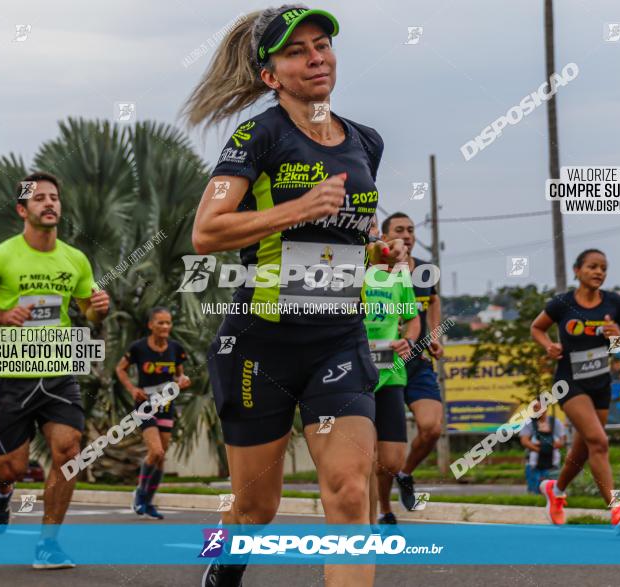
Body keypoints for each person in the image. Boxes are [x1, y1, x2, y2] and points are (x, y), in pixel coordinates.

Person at [184, 6, 405, 586]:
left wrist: (379, 252)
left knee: (350, 493)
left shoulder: (365, 141)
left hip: (338, 339)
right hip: (263, 343)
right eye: (296, 51)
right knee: (257, 509)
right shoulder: (257, 135)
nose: (316, 57)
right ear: (270, 75)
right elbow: (206, 232)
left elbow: (348, 231)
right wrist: (296, 209)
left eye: (322, 45)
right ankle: (221, 570)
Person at [0, 172, 110, 569]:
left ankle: (48, 543)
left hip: (59, 374)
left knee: (69, 450)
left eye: (54, 197)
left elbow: (85, 308)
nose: (49, 203)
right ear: (22, 209)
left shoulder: (75, 258)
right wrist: (1, 315)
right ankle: (1, 495)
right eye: (39, 198)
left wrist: (96, 307)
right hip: (13, 377)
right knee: (12, 468)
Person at [529, 248, 620, 528]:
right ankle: (616, 510)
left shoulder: (615, 303)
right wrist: (549, 347)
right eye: (592, 266)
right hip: (570, 382)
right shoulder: (562, 304)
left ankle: (555, 491)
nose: (599, 272)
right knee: (599, 442)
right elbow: (537, 328)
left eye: (603, 268)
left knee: (584, 449)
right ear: (577, 271)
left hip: (601, 381)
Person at [380, 212, 444, 510]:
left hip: (417, 362)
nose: (407, 235)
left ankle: (406, 474)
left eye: (411, 229)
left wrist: (434, 335)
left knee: (431, 428)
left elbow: (432, 301)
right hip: (384, 365)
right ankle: (384, 510)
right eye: (399, 230)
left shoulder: (426, 270)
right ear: (384, 237)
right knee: (385, 451)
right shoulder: (377, 272)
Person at [363, 218, 420, 525]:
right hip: (355, 371)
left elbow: (412, 318)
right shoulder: (353, 269)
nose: (371, 231)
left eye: (374, 225)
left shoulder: (400, 275)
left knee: (391, 460)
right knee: (363, 459)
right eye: (367, 226)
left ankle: (377, 506)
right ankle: (366, 523)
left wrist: (408, 341)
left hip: (390, 370)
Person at [115, 307, 191, 520]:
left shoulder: (176, 349)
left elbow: (179, 375)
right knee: (156, 452)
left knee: (161, 457)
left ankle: (148, 502)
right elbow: (120, 369)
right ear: (151, 325)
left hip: (166, 405)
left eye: (168, 323)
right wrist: (132, 389)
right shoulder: (138, 348)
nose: (165, 327)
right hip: (145, 404)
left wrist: (183, 381)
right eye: (161, 323)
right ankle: (140, 492)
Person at [519, 407, 566, 494]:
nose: (537, 409)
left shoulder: (555, 422)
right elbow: (524, 441)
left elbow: (562, 441)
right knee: (534, 493)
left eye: (539, 407)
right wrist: (542, 449)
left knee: (552, 493)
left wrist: (544, 446)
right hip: (533, 465)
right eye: (535, 407)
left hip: (553, 465)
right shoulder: (529, 423)